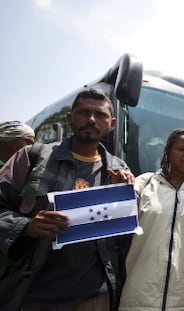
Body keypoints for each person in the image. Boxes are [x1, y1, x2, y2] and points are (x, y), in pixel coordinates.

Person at [0, 89, 135, 311]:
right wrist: (26, 227)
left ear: (111, 124)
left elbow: (123, 240)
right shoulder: (33, 156)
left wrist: (129, 195)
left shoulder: (120, 170)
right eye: (84, 112)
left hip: (95, 299)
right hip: (33, 295)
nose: (91, 119)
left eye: (100, 115)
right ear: (70, 118)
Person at [119, 128, 184, 311]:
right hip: (141, 296)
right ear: (168, 151)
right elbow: (117, 212)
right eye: (182, 149)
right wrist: (119, 185)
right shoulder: (145, 183)